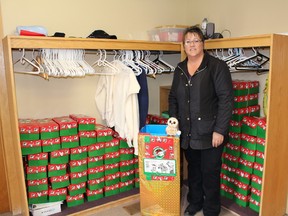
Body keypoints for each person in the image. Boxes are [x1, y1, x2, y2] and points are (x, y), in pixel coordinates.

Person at [168, 26, 234, 216]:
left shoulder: (217, 66)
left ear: (203, 44)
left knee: (210, 174)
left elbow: (226, 100)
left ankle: (212, 209)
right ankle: (195, 202)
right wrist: (173, 119)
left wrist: (220, 130)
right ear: (184, 45)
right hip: (187, 133)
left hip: (211, 133)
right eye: (188, 41)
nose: (192, 45)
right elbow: (173, 97)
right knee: (194, 172)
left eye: (196, 40)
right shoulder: (180, 69)